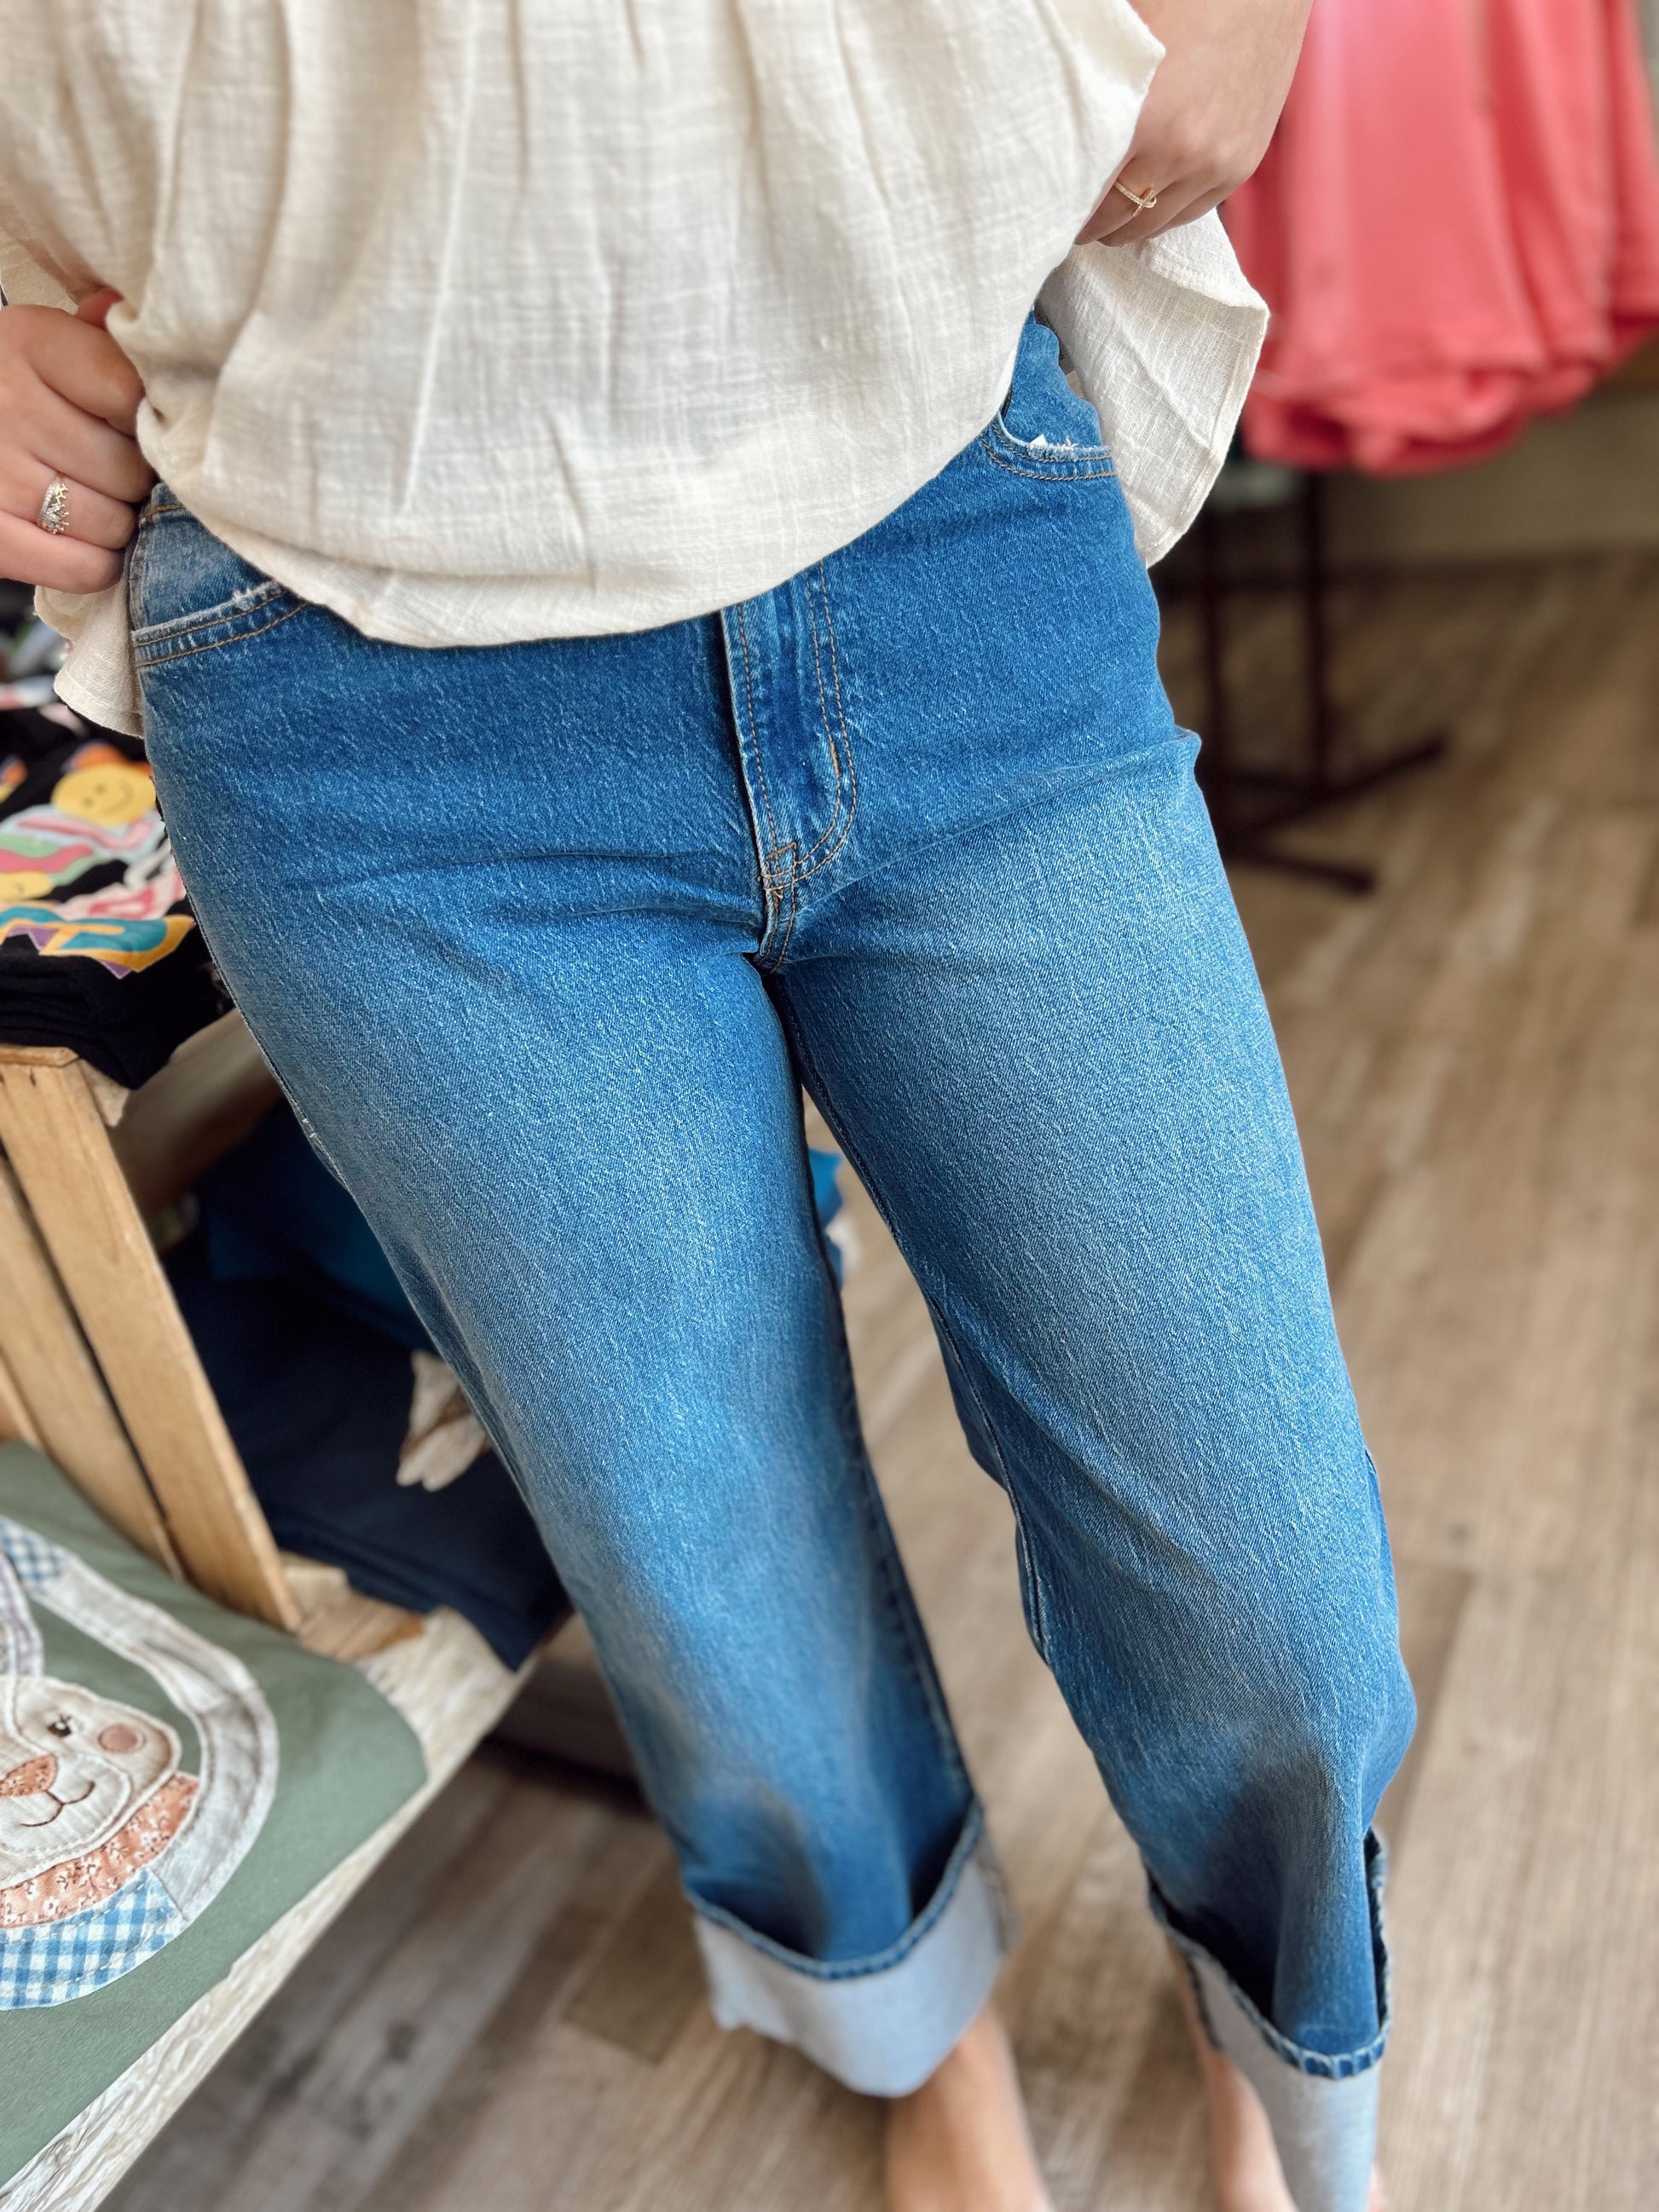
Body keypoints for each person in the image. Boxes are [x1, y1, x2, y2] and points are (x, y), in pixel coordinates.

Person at [0, 5, 1412, 2208]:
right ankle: (922, 2045)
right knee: (702, 1549)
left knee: (1267, 1577)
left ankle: (1290, 2039)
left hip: (939, 509)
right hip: (353, 674)